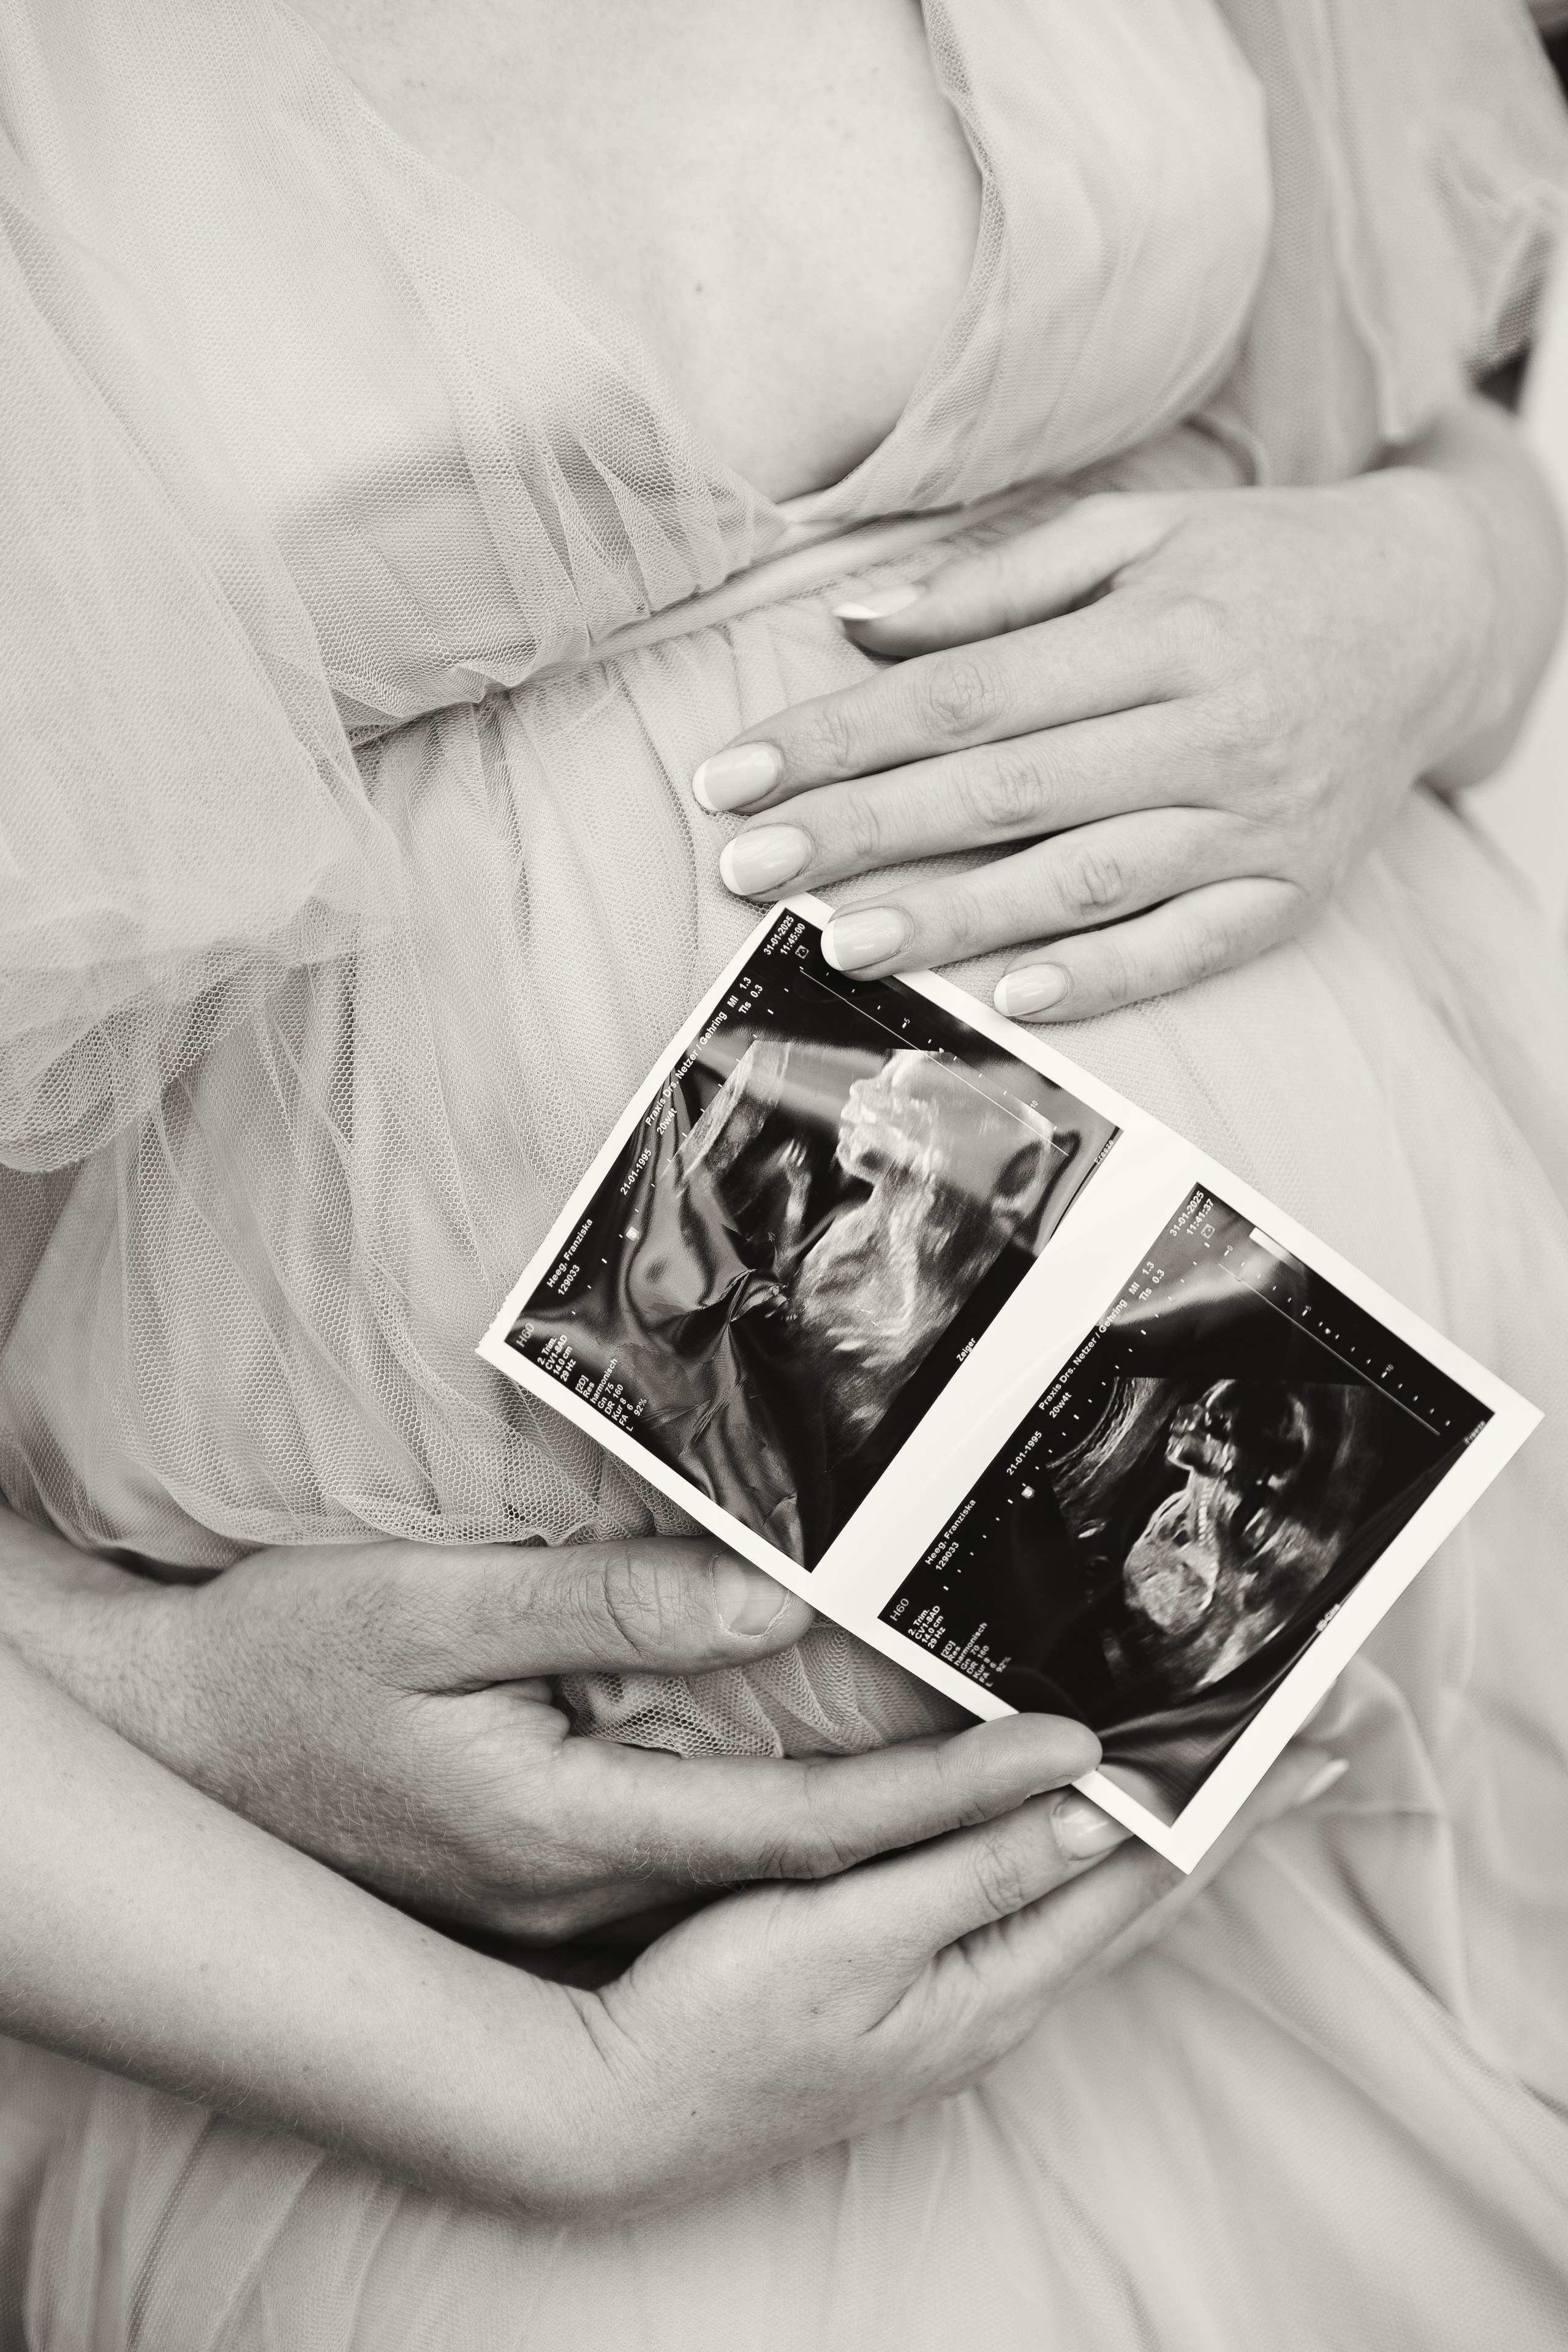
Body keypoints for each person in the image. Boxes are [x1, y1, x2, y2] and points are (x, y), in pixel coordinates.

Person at [2, 1, 1568, 2344]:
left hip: (1434, 1671)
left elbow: (1406, 372)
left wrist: (1430, 590)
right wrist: (178, 1731)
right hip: (480, 2012)